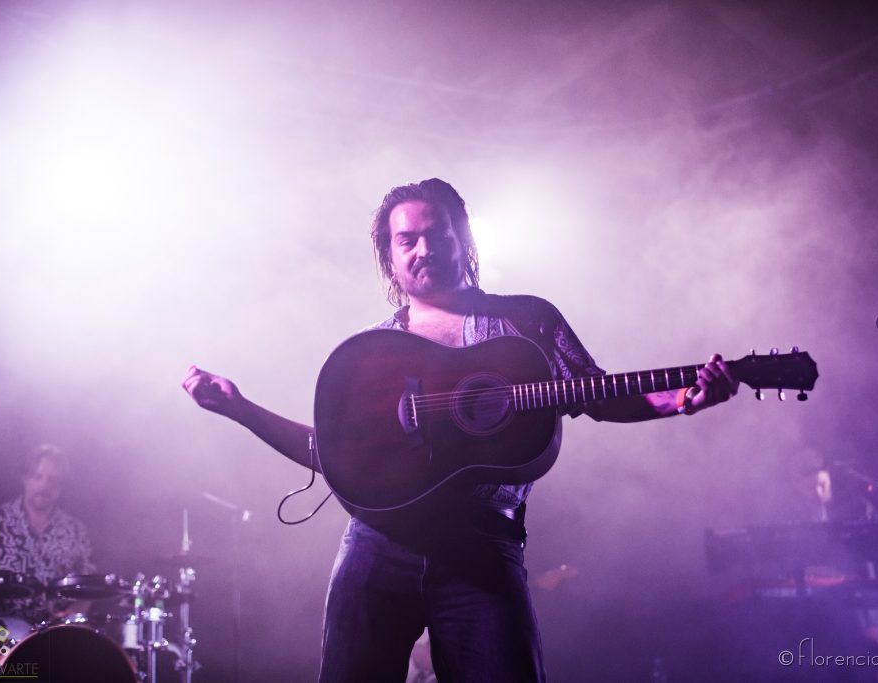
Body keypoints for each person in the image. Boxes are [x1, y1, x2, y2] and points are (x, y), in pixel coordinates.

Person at [181, 178, 739, 682]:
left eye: (438, 234)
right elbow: (331, 456)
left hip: (483, 547)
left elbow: (594, 391)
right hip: (378, 549)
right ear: (389, 256)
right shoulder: (371, 353)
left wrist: (683, 399)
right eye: (407, 241)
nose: (424, 250)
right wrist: (240, 408)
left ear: (462, 238)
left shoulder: (527, 319)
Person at [0, 444, 95, 624]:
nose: (44, 485)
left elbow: (88, 591)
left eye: (52, 480)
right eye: (37, 477)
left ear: (60, 486)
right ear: (24, 478)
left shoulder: (75, 531)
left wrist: (70, 616)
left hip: (55, 633)